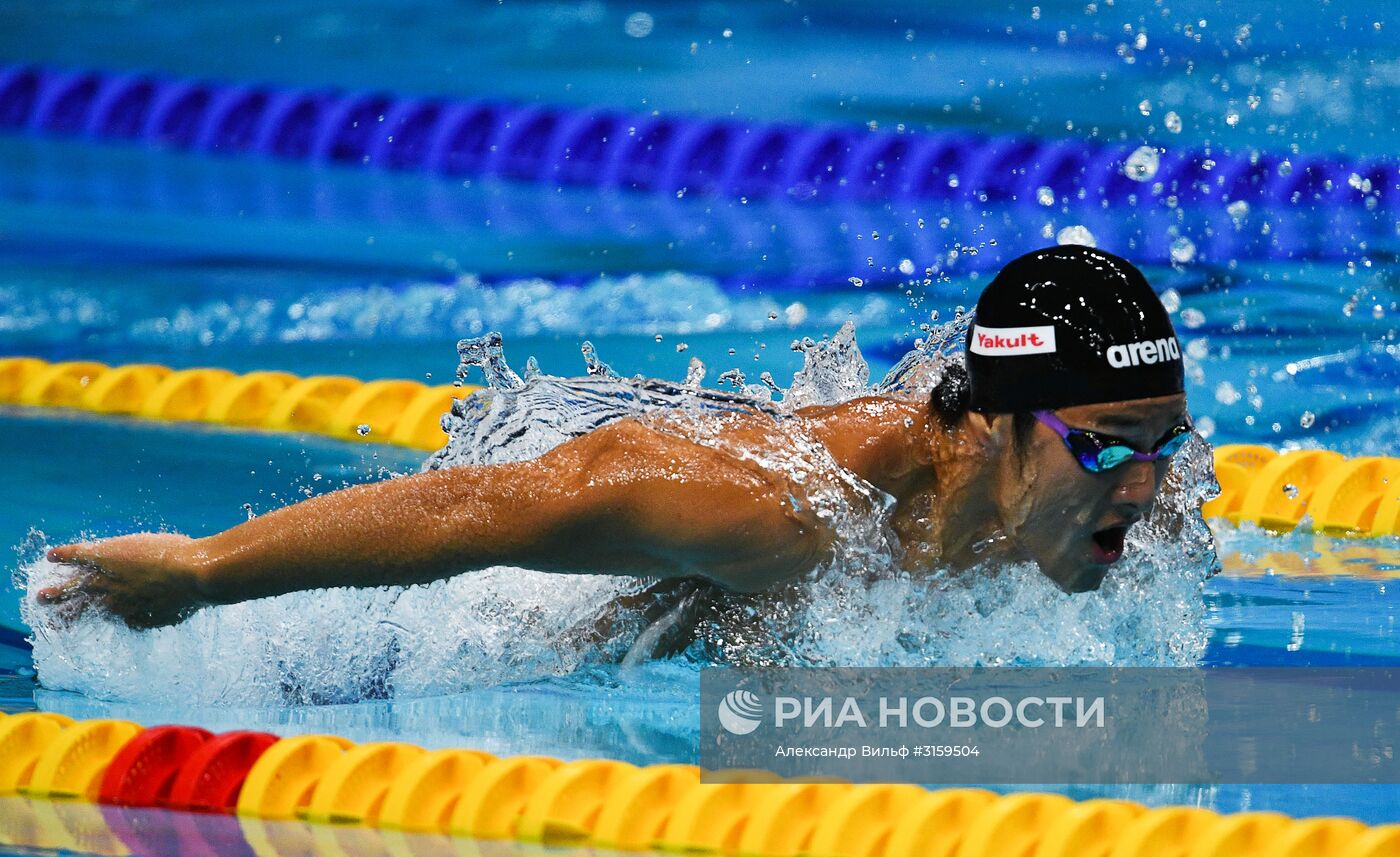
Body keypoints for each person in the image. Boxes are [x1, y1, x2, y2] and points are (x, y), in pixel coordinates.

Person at [39, 245, 1192, 633]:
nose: (1144, 487)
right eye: (1103, 446)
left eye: (1163, 441)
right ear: (992, 425)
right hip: (555, 491)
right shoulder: (787, 511)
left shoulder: (1126, 500)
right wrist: (202, 571)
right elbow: (496, 509)